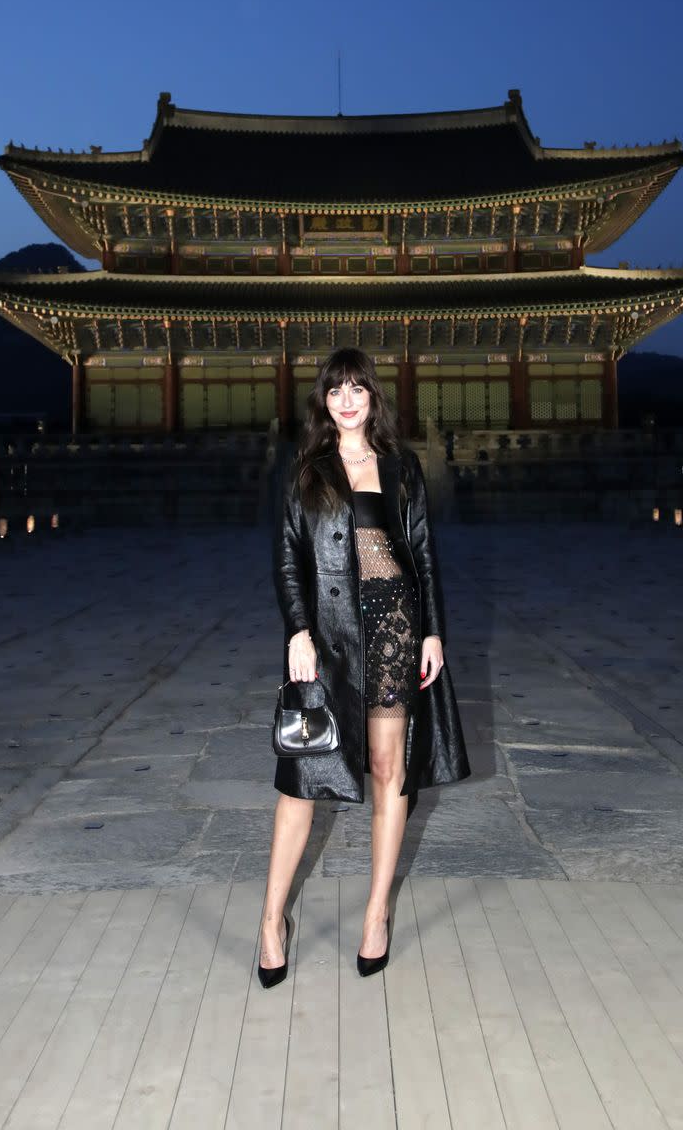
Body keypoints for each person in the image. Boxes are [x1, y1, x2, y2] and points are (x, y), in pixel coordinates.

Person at [258, 347, 470, 987]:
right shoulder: (306, 469)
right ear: (323, 402)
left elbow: (424, 554)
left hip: (394, 627)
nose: (347, 399)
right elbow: (289, 555)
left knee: (389, 769)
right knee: (302, 777)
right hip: (328, 634)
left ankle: (376, 914)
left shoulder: (401, 466)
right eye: (335, 390)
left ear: (372, 397)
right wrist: (297, 629)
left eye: (358, 388)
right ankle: (271, 919)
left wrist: (433, 630)